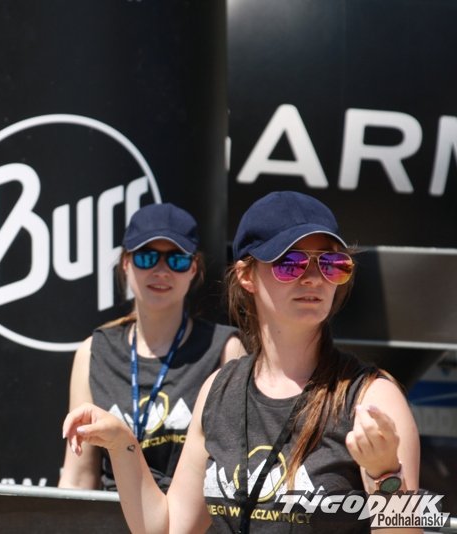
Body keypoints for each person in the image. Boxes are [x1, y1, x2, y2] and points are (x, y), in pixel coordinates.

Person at [63, 191, 421, 533]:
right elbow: (169, 528)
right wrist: (124, 444)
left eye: (330, 264)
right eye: (290, 263)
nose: (313, 278)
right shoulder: (219, 390)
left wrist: (386, 475)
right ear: (246, 275)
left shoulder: (374, 397)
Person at [58, 203, 245, 492]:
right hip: (112, 513)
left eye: (177, 260)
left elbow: (235, 470)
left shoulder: (226, 349)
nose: (161, 271)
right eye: (147, 258)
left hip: (188, 514)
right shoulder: (93, 352)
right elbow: (77, 478)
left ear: (193, 268)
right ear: (126, 263)